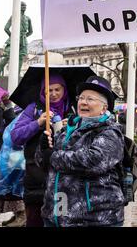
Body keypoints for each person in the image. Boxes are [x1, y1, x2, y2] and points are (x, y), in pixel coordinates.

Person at [37, 76, 125, 227]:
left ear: (104, 108)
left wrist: (52, 156)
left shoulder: (110, 132)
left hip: (94, 219)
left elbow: (93, 161)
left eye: (90, 99)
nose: (83, 102)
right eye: (81, 98)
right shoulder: (67, 129)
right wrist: (43, 148)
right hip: (58, 214)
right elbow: (44, 162)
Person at [10, 73, 74, 227]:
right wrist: (38, 122)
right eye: (48, 90)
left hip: (64, 181)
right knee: (35, 221)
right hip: (36, 179)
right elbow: (16, 136)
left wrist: (71, 126)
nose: (53, 94)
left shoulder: (73, 108)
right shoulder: (33, 109)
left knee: (61, 221)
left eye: (57, 89)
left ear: (64, 90)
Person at [0, 94, 25, 227]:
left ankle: (22, 215)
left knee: (15, 188)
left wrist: (8, 106)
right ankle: (16, 215)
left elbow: (13, 124)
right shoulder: (19, 109)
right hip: (4, 152)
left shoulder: (28, 112)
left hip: (15, 157)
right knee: (5, 187)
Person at [0, 2, 33, 76]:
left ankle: (17, 73)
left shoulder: (28, 18)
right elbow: (6, 28)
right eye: (23, 6)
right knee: (7, 55)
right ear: (19, 7)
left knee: (20, 57)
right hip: (13, 39)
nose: (24, 7)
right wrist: (12, 37)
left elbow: (30, 31)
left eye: (25, 6)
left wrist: (24, 36)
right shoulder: (14, 16)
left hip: (23, 40)